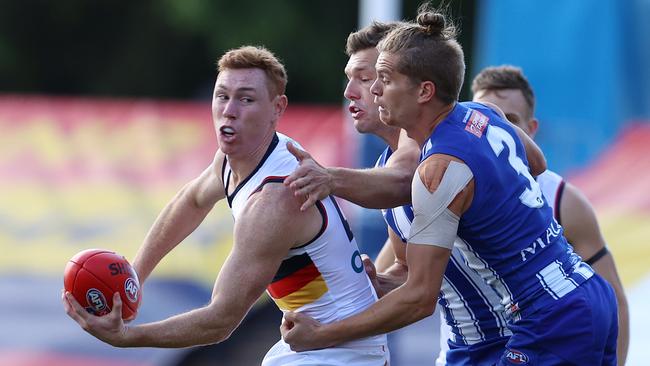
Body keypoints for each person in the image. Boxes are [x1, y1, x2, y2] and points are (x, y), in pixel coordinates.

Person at [281, 6, 618, 366]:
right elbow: (536, 162)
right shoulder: (484, 114)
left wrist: (321, 335)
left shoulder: (436, 170)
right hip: (581, 294)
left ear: (425, 91)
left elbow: (420, 298)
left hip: (546, 317)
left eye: (382, 78)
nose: (373, 90)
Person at [62, 45, 388, 366]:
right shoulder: (242, 157)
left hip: (344, 354)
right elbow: (189, 202)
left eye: (246, 99)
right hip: (317, 344)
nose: (229, 110)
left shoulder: (274, 200)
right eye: (222, 96)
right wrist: (136, 276)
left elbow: (220, 320)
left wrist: (126, 338)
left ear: (278, 108)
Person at [470, 65, 629, 365]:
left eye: (510, 120)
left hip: (538, 348)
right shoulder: (451, 185)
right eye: (488, 117)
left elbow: (614, 298)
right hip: (465, 352)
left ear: (531, 130)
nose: (498, 129)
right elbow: (394, 273)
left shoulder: (562, 200)